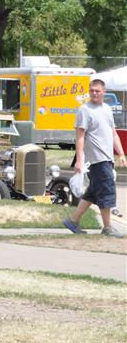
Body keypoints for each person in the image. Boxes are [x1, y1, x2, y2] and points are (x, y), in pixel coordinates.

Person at [62, 79, 126, 238]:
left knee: (92, 193)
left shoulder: (107, 109)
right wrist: (79, 160)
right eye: (92, 90)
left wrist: (121, 154)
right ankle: (108, 228)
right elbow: (80, 137)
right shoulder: (84, 110)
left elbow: (113, 133)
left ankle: (73, 221)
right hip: (97, 159)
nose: (94, 93)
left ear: (104, 92)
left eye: (97, 91)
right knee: (106, 192)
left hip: (107, 158)